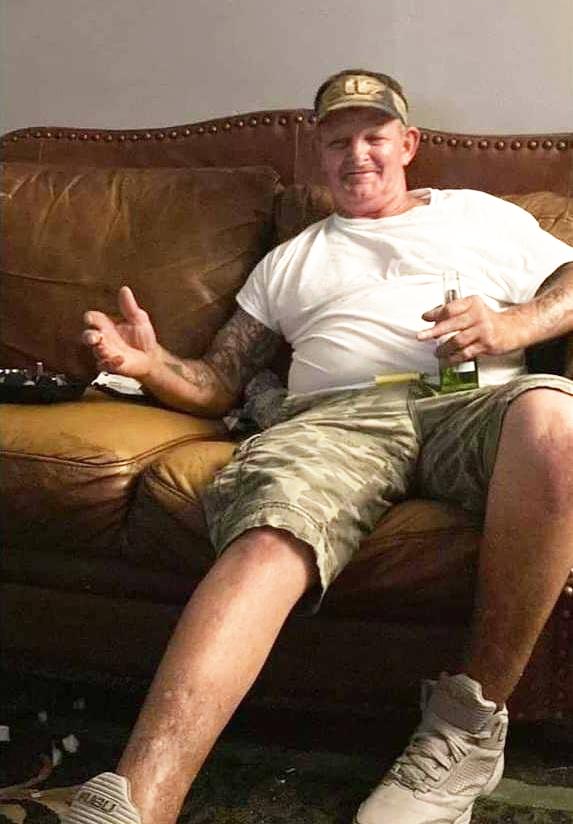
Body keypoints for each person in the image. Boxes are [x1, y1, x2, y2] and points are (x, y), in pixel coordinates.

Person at [62, 69, 573, 824]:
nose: (356, 155)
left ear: (408, 144)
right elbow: (218, 380)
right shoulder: (289, 261)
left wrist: (514, 325)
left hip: (471, 403)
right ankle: (137, 801)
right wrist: (151, 365)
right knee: (270, 527)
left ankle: (466, 728)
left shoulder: (479, 215)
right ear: (317, 154)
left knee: (556, 421)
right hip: (334, 420)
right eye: (337, 141)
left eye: (374, 136)